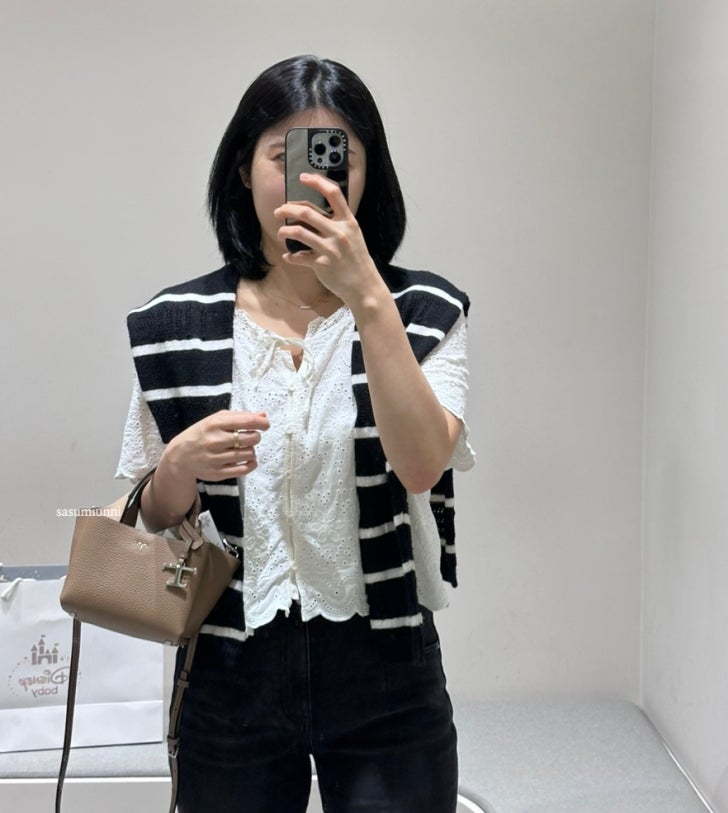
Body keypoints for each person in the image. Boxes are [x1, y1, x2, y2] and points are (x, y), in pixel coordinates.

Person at [116, 54, 474, 813]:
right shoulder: (173, 324)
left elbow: (420, 465)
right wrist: (179, 464)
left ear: (368, 174)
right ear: (242, 170)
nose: (306, 178)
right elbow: (152, 515)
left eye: (333, 156)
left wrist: (368, 297)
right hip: (227, 671)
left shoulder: (424, 310)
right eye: (281, 155)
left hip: (387, 670)